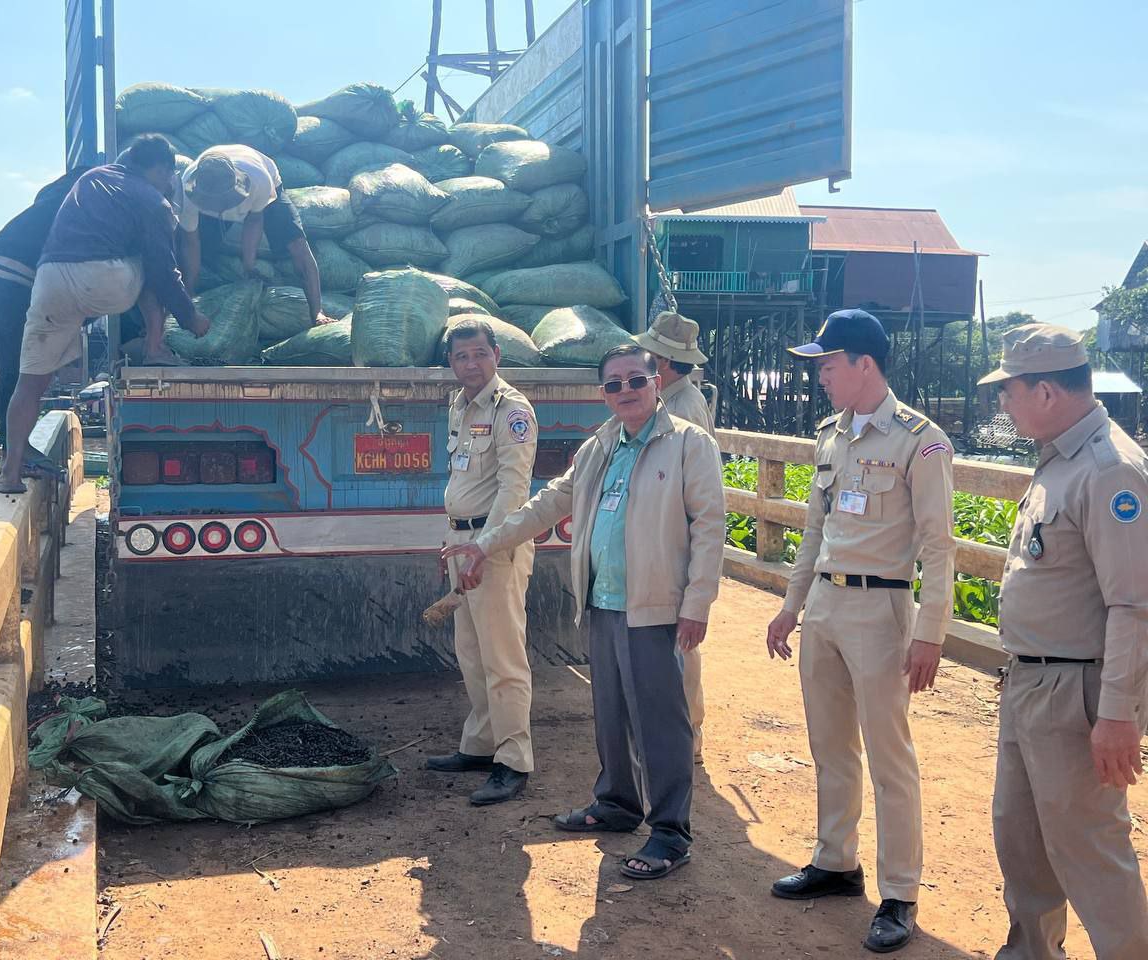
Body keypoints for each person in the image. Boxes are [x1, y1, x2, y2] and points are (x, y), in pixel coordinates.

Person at [444, 344, 726, 880]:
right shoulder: (600, 445)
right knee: (611, 713)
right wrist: (486, 543)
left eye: (636, 380)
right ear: (603, 393)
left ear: (657, 382)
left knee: (661, 722)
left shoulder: (689, 444)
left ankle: (670, 832)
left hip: (655, 606)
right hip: (602, 601)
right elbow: (548, 503)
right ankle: (617, 802)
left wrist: (697, 604)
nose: (625, 391)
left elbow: (711, 528)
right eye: (613, 384)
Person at [765, 308, 955, 953]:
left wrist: (930, 634)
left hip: (881, 611)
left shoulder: (920, 441)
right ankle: (836, 861)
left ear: (863, 364)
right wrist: (792, 605)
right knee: (830, 745)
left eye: (827, 364)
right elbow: (814, 531)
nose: (819, 376)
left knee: (889, 756)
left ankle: (899, 892)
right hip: (825, 604)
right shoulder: (831, 435)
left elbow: (939, 547)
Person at [979, 323, 1148, 960]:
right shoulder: (1060, 459)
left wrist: (1117, 715)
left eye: (1009, 390)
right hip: (1030, 679)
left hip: (1077, 691)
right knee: (1021, 837)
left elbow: (1134, 605)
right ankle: (1031, 952)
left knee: (1088, 848)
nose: (1003, 402)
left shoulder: (1109, 470)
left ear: (1046, 391)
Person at [0, 134, 209, 495]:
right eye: (168, 175)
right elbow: (164, 272)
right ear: (161, 169)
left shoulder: (92, 177)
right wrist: (191, 318)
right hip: (102, 281)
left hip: (50, 280)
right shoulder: (154, 200)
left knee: (29, 385)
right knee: (153, 265)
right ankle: (155, 347)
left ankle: (10, 474)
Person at [426, 319, 538, 806]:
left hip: (494, 546)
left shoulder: (511, 410)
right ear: (451, 363)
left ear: (496, 355)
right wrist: (453, 540)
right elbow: (463, 480)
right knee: (471, 652)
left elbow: (514, 489)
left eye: (479, 354)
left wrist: (483, 548)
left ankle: (513, 761)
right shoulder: (460, 405)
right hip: (464, 540)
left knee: (502, 657)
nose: (471, 364)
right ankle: (481, 745)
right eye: (461, 357)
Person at [634, 309, 714, 763]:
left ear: (662, 362)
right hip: (665, 536)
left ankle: (688, 739)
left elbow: (699, 501)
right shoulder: (677, 399)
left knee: (680, 646)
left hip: (674, 541)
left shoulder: (682, 409)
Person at [0, 166, 89, 453]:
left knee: (17, 362)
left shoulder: (66, 191)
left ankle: (12, 444)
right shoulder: (95, 194)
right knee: (21, 363)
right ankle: (14, 446)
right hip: (12, 270)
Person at [177, 144, 328, 324]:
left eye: (226, 201)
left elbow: (254, 220)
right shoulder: (186, 194)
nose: (222, 207)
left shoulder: (259, 181)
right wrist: (188, 296)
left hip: (265, 179)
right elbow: (190, 243)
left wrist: (249, 266)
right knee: (195, 248)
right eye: (216, 202)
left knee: (297, 244)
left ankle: (317, 312)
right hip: (212, 189)